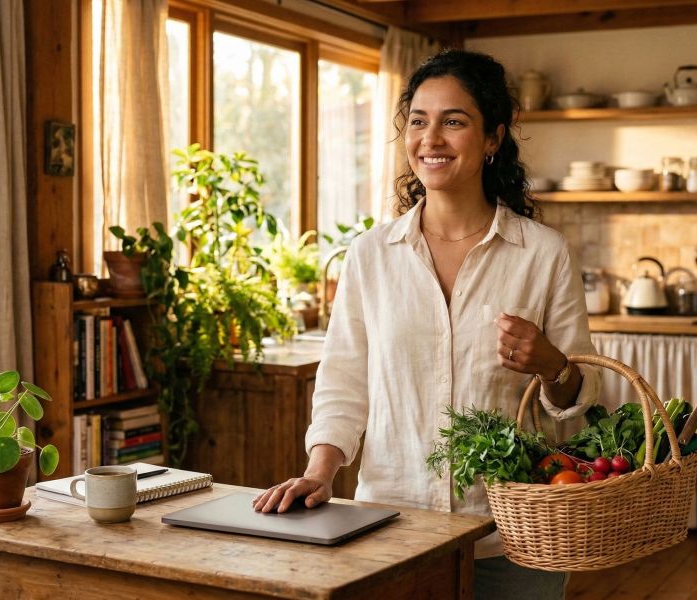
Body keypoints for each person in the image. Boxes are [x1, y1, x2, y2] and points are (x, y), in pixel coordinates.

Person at [254, 49, 601, 599]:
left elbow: (580, 397)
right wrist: (320, 472)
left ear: (492, 140)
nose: (430, 138)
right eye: (418, 121)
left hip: (510, 536)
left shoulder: (542, 254)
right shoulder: (372, 254)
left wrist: (551, 364)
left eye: (454, 121)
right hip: (388, 531)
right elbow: (344, 382)